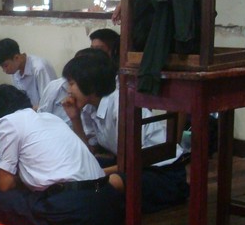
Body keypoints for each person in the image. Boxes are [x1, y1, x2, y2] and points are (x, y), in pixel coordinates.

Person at [0, 84, 123, 225]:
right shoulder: (50, 118)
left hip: (71, 218)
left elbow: (6, 185)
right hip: (109, 210)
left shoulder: (7, 122)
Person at [62, 53, 189, 213]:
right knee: (76, 169)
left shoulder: (120, 105)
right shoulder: (89, 109)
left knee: (106, 184)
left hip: (162, 171)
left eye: (72, 84)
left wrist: (95, 174)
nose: (69, 90)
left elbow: (137, 160)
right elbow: (89, 154)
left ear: (90, 84)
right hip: (130, 166)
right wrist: (75, 118)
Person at [0, 38, 56, 109]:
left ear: (16, 58)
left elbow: (49, 103)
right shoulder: (15, 70)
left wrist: (26, 111)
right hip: (30, 112)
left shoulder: (39, 68)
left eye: (5, 66)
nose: (4, 70)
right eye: (1, 67)